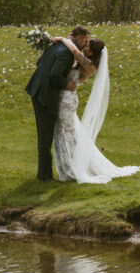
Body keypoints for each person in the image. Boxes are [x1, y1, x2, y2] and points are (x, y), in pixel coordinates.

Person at [50, 35, 140, 184]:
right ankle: (70, 167)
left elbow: (73, 50)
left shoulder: (89, 64)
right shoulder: (84, 62)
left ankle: (70, 170)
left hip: (67, 100)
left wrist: (62, 39)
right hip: (65, 97)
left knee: (64, 133)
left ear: (91, 52)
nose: (84, 47)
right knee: (66, 134)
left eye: (86, 46)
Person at [26, 26, 91, 180]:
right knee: (45, 137)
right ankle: (45, 175)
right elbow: (55, 75)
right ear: (76, 38)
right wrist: (66, 84)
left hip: (36, 90)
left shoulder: (56, 46)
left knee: (45, 134)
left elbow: (39, 62)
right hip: (45, 96)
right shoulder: (67, 54)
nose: (85, 44)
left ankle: (46, 173)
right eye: (84, 40)